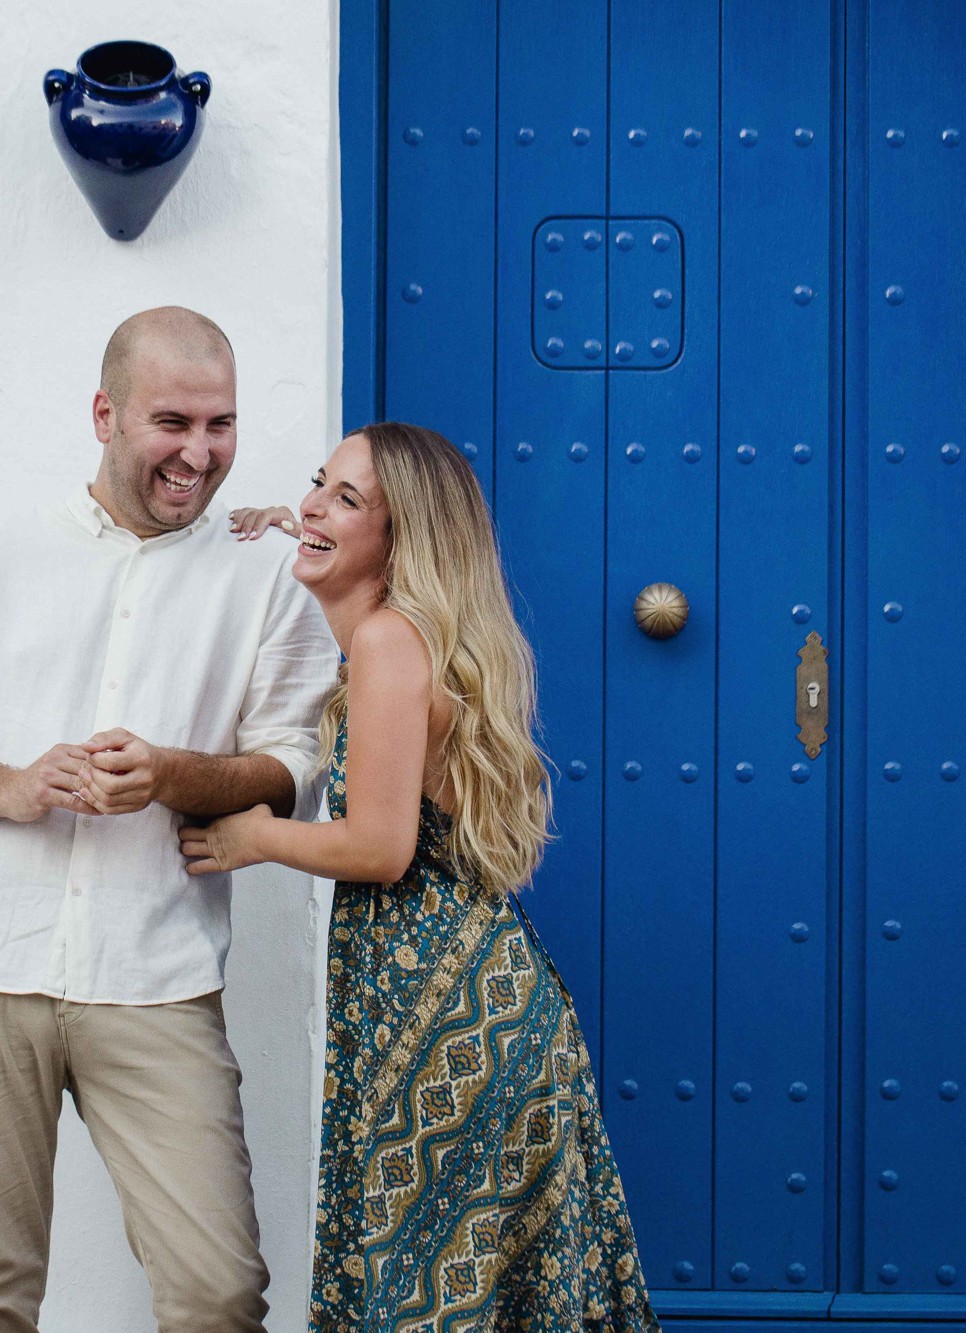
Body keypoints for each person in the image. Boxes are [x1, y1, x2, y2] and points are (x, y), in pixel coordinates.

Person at [0, 307, 338, 1333]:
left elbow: (294, 775)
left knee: (216, 1294)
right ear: (104, 414)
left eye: (221, 424)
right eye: (171, 421)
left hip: (154, 976)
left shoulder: (265, 582)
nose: (198, 453)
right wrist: (10, 786)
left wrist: (169, 774)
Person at [195, 422, 660, 1332]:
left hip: (445, 1022)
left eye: (347, 497)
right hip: (474, 1006)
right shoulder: (406, 634)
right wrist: (309, 526)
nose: (317, 504)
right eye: (316, 482)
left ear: (402, 538)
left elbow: (378, 846)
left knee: (431, 1298)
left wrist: (257, 837)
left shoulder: (385, 641)